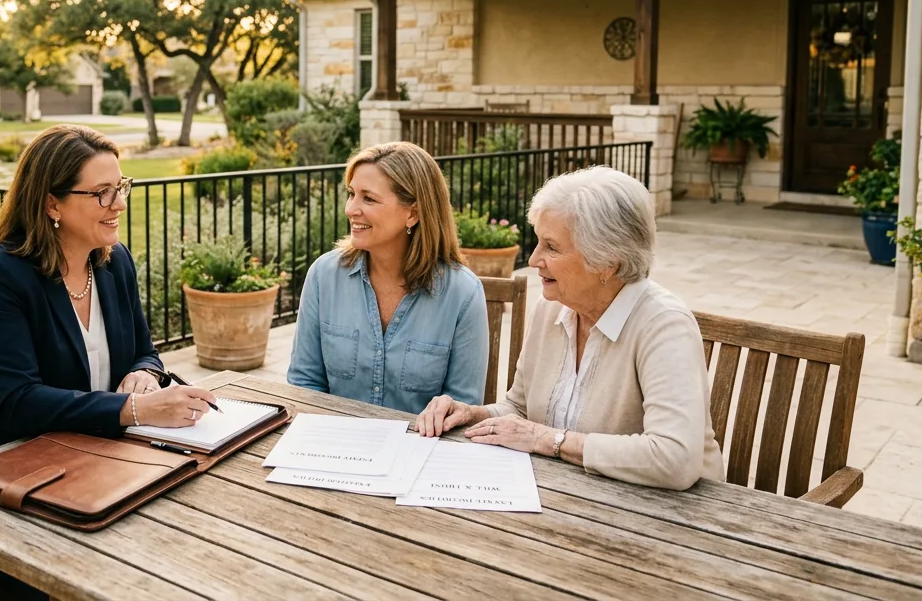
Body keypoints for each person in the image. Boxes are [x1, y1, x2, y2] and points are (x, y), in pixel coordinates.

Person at [0, 125, 215, 597]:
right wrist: (133, 411)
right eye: (101, 193)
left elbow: (144, 349)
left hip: (80, 467)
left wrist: (143, 373)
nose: (119, 203)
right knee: (113, 573)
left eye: (121, 188)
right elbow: (17, 402)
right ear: (52, 204)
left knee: (180, 541)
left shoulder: (113, 263)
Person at [416, 166, 723, 491]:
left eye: (551, 246)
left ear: (607, 261)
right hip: (571, 496)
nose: (534, 259)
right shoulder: (552, 307)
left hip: (668, 515)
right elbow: (519, 408)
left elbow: (674, 458)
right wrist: (471, 414)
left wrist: (550, 441)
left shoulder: (663, 325)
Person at [287, 141, 488, 414]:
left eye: (368, 198)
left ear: (413, 213)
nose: (351, 209)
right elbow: (304, 384)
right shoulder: (324, 276)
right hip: (336, 446)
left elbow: (462, 406)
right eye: (351, 194)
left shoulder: (462, 293)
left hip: (420, 449)